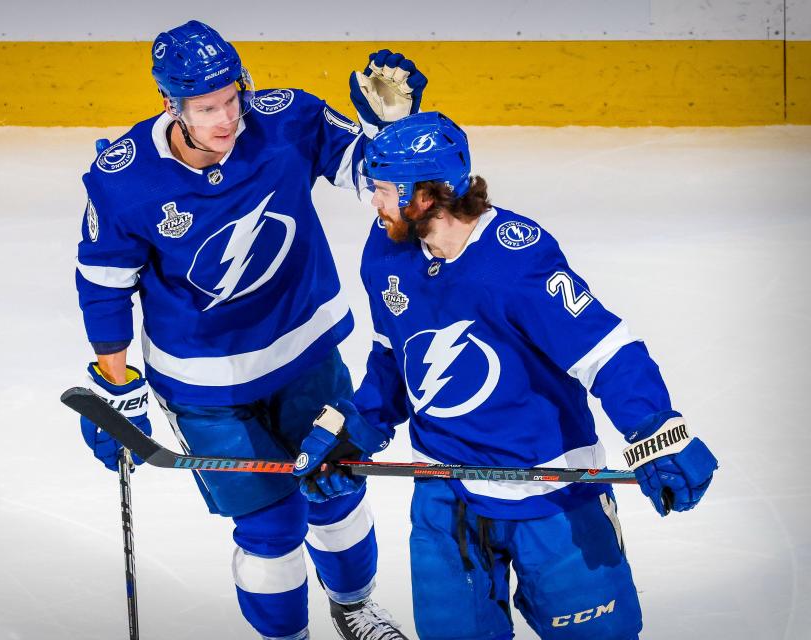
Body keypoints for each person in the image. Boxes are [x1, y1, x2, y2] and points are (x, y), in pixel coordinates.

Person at [293, 112, 719, 639]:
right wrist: (356, 427)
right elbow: (394, 356)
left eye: (383, 189)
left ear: (423, 197)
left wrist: (655, 429)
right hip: (445, 494)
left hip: (552, 495)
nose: (374, 202)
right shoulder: (385, 254)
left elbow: (605, 349)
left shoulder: (517, 261)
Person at [74, 20, 426, 640]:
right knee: (270, 531)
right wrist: (115, 384)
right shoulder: (124, 178)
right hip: (205, 387)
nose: (226, 118)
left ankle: (356, 608)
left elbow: (376, 180)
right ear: (170, 105)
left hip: (305, 356)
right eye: (207, 108)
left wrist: (390, 132)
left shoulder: (287, 120)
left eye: (232, 99)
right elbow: (104, 287)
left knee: (336, 494)